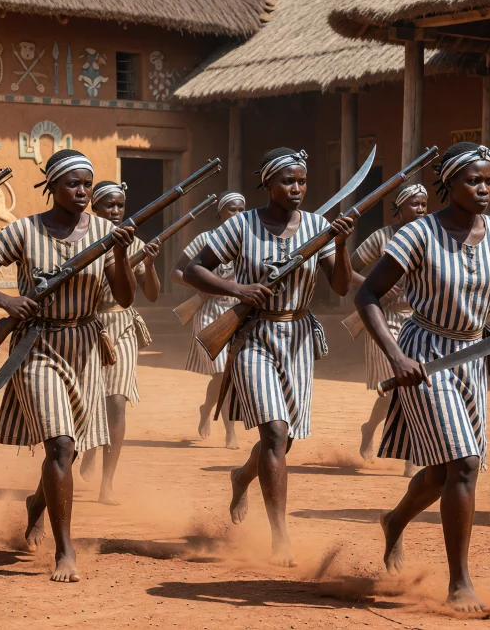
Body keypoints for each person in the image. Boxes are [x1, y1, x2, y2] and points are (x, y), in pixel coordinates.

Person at [356, 142, 490, 614]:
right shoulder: (418, 234)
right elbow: (367, 295)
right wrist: (395, 356)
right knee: (464, 463)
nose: (484, 188)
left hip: (472, 356)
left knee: (443, 472)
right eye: (472, 180)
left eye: (488, 180)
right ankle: (460, 583)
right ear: (449, 184)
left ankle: (395, 520)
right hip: (424, 358)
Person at [0, 148, 136, 582]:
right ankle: (65, 550)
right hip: (35, 346)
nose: (82, 191)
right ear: (52, 186)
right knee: (59, 444)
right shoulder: (23, 230)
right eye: (73, 183)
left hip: (85, 347)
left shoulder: (106, 231)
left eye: (87, 184)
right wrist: (6, 301)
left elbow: (126, 297)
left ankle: (37, 503)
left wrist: (119, 254)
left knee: (68, 451)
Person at [184, 149, 354, 566]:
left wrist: (341, 244)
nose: (296, 188)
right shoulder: (241, 225)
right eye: (287, 181)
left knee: (285, 439)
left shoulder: (317, 226)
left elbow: (341, 286)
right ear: (267, 183)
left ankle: (242, 476)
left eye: (302, 181)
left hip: (297, 337)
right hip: (252, 335)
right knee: (275, 433)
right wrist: (238, 290)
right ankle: (280, 536)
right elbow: (193, 269)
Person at [77, 181, 160, 504]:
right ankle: (89, 447)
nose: (115, 211)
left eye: (120, 205)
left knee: (116, 404)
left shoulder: (134, 243)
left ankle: (107, 483)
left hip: (122, 327)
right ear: (94, 207)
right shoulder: (81, 241)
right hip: (85, 327)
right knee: (85, 402)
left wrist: (149, 264)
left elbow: (150, 294)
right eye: (108, 205)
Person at [353, 182, 428, 469]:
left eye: (424, 204)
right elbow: (348, 268)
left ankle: (412, 456)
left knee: (414, 388)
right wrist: (374, 286)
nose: (421, 209)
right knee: (395, 388)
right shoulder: (382, 237)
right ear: (399, 208)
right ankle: (371, 428)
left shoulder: (431, 235)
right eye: (414, 204)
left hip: (419, 322)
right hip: (383, 320)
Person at [175, 192, 248, 448]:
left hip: (237, 311)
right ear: (220, 213)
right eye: (231, 209)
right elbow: (177, 271)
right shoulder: (204, 240)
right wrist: (203, 288)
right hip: (208, 310)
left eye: (241, 209)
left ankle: (207, 408)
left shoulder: (250, 242)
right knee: (221, 373)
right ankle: (230, 432)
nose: (237, 214)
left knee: (230, 374)